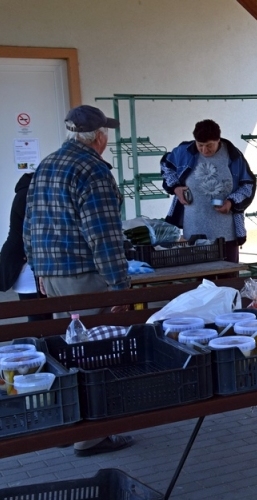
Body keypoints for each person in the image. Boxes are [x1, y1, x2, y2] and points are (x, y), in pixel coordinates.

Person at [23, 104, 134, 456]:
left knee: (67, 352)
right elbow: (103, 235)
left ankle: (70, 425)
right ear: (100, 137)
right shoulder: (93, 170)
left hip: (53, 277)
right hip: (85, 277)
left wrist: (40, 272)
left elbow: (30, 225)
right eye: (107, 135)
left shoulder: (48, 165)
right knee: (95, 354)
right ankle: (91, 436)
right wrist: (120, 285)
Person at [161, 119, 257, 263]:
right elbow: (166, 166)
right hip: (193, 230)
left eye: (209, 145)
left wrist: (231, 202)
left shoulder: (233, 155)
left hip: (226, 233)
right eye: (200, 145)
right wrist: (176, 187)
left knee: (227, 276)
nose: (205, 150)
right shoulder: (184, 151)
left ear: (218, 140)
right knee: (198, 277)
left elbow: (247, 185)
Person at [0, 166, 52, 322]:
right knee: (39, 317)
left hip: (27, 262)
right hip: (25, 264)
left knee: (41, 316)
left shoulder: (28, 192)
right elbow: (35, 235)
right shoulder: (28, 196)